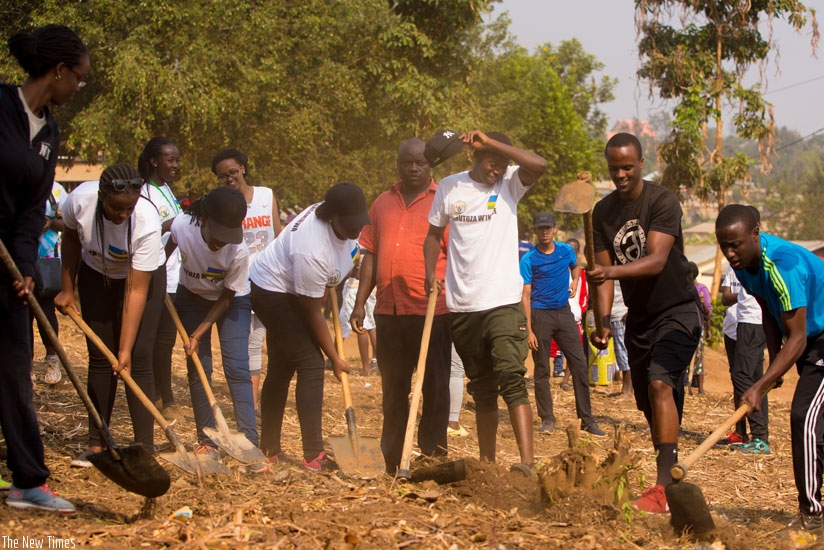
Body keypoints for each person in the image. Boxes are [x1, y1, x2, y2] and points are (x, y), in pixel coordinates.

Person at [588, 132, 701, 514]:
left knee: (658, 383)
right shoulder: (602, 212)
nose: (620, 174)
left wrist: (608, 271)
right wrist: (603, 321)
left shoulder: (662, 201)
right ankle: (669, 472)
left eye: (626, 166)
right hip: (639, 320)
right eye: (613, 168)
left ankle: (663, 487)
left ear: (640, 163)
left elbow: (654, 260)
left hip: (678, 309)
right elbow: (602, 278)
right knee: (650, 404)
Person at [0, 23, 87, 513]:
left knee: (14, 371)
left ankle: (28, 481)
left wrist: (27, 264)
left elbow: (35, 207)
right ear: (58, 71)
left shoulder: (49, 132)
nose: (79, 86)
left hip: (9, 266)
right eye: (79, 77)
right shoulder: (0, 107)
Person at [424, 130, 548, 474]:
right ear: (473, 158)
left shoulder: (510, 183)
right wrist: (428, 271)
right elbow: (433, 235)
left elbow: (540, 164)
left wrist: (494, 146)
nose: (497, 169)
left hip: (503, 303)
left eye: (502, 163)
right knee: (481, 388)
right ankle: (488, 465)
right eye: (492, 163)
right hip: (463, 306)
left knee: (511, 376)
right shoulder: (450, 187)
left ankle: (527, 464)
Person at [715, 203, 824, 533]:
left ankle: (813, 515)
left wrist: (761, 384)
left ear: (755, 234)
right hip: (809, 335)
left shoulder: (783, 265)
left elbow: (800, 336)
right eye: (724, 246)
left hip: (818, 337)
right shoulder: (745, 266)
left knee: (803, 417)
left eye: (736, 244)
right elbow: (768, 308)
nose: (730, 253)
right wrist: (774, 358)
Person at [250, 182, 368, 472]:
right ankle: (313, 455)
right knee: (311, 363)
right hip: (271, 290)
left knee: (281, 366)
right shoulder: (312, 248)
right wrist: (334, 357)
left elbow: (348, 258)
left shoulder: (342, 225)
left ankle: (269, 449)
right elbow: (312, 311)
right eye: (349, 224)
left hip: (296, 287)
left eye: (358, 223)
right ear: (332, 217)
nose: (356, 230)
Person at [350, 138, 452, 475]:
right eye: (407, 162)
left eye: (420, 163)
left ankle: (433, 453)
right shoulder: (381, 203)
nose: (413, 168)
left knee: (435, 386)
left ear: (430, 167)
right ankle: (391, 454)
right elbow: (370, 255)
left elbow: (455, 256)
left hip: (431, 311)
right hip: (389, 311)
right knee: (393, 387)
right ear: (397, 164)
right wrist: (360, 302)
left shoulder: (444, 203)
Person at [57, 165, 166, 470]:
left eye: (128, 208)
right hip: (97, 274)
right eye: (116, 208)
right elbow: (70, 238)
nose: (122, 215)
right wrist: (68, 289)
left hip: (143, 280)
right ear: (101, 196)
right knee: (100, 357)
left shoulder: (145, 219)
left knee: (139, 358)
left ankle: (144, 447)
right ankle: (97, 443)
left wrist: (126, 348)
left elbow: (135, 290)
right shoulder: (79, 200)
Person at [166, 186, 263, 472]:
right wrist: (157, 271)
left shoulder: (239, 250)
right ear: (205, 220)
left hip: (231, 302)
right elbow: (165, 247)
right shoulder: (183, 225)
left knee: (237, 367)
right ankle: (206, 441)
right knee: (199, 366)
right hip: (191, 297)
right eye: (217, 236)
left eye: (227, 238)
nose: (221, 244)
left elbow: (227, 297)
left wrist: (198, 332)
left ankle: (249, 440)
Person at [520, 211, 605, 436]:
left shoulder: (566, 250)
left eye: (548, 227)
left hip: (563, 313)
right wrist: (529, 330)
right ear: (536, 231)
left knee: (579, 364)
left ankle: (586, 419)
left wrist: (575, 281)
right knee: (541, 369)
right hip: (540, 315)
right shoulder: (529, 259)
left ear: (555, 229)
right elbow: (525, 296)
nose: (545, 231)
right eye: (541, 228)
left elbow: (576, 267)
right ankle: (547, 418)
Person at [212, 148, 281, 412]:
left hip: (267, 281)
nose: (229, 178)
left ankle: (258, 405)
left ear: (243, 167)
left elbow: (277, 236)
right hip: (238, 283)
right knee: (245, 345)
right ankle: (249, 407)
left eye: (232, 172)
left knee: (262, 342)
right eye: (222, 176)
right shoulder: (222, 204)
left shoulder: (266, 195)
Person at [139, 136, 184, 420]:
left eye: (177, 160)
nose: (175, 165)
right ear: (154, 160)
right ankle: (156, 395)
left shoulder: (166, 189)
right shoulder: (145, 193)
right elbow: (149, 232)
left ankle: (164, 396)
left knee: (166, 341)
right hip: (156, 274)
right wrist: (174, 225)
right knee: (152, 338)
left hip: (174, 275)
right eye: (170, 160)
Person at [720, 264, 769, 452]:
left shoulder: (758, 264)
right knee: (752, 379)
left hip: (752, 322)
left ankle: (759, 436)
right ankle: (755, 435)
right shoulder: (736, 267)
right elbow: (726, 297)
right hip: (742, 324)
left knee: (742, 376)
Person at [31, 181, 68, 385]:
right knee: (23, 315)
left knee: (46, 313)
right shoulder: (18, 183)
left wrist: (49, 222)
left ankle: (52, 359)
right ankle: (25, 366)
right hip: (22, 259)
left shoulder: (57, 191)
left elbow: (67, 223)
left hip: (48, 261)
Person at [340, 257, 377, 376]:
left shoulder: (355, 244)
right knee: (371, 326)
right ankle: (377, 362)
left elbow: (355, 266)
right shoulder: (374, 242)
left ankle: (366, 368)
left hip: (356, 287)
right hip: (372, 287)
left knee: (360, 326)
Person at [688, 262, 711, 395]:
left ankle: (700, 388)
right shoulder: (683, 289)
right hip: (685, 327)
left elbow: (708, 313)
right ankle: (687, 384)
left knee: (698, 356)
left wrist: (702, 304)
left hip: (698, 327)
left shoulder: (702, 290)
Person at [610, 283, 633, 399]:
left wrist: (629, 311)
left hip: (621, 314)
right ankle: (626, 387)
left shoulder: (623, 268)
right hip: (613, 314)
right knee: (619, 351)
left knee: (623, 350)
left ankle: (628, 389)